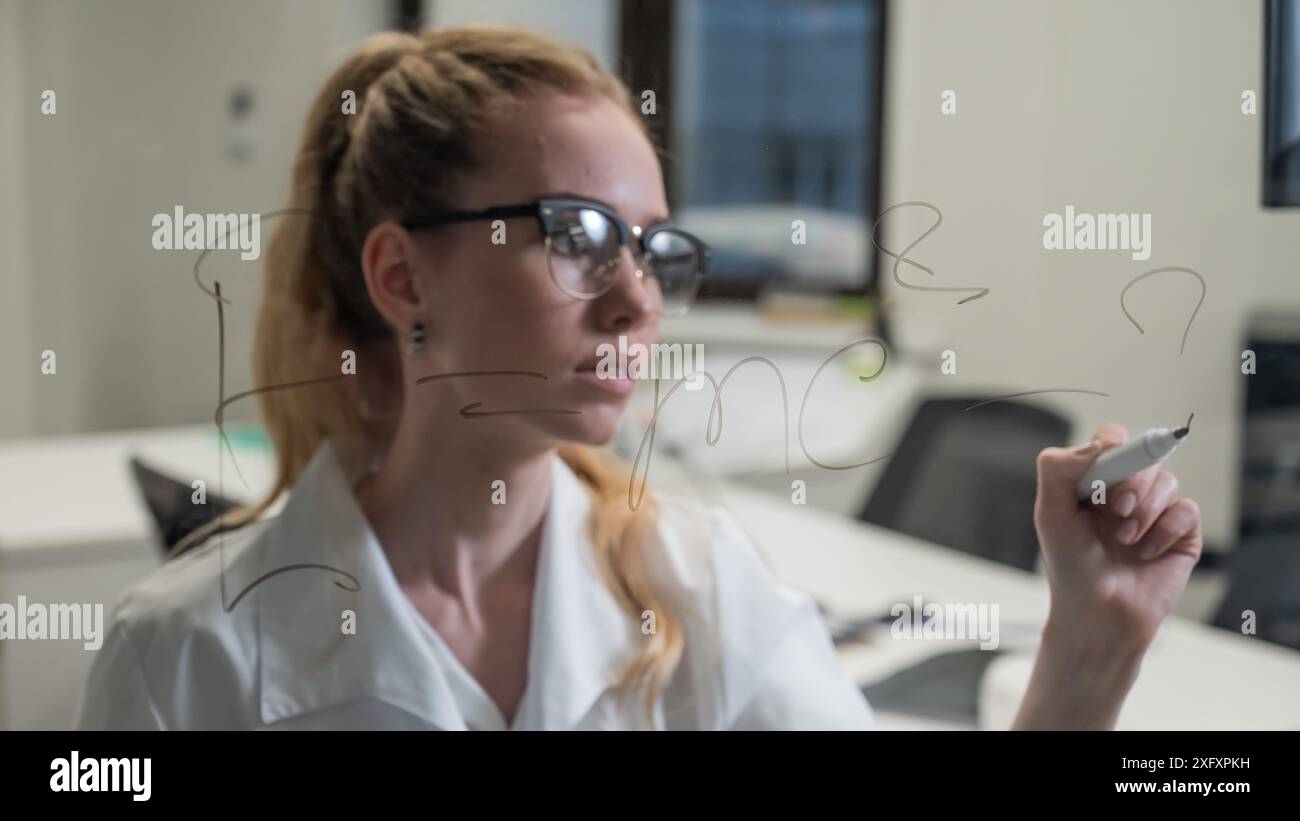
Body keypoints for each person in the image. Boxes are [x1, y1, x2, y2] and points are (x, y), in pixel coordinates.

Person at [78, 25, 1202, 731]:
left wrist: (1088, 652)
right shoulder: (184, 654)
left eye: (656, 247)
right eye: (575, 232)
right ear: (401, 275)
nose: (637, 299)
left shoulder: (700, 587)